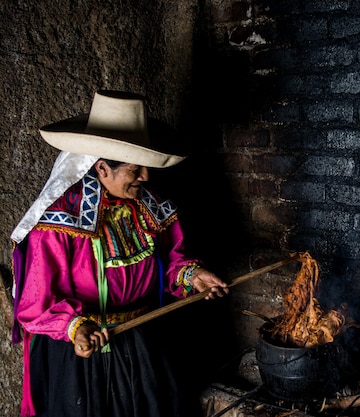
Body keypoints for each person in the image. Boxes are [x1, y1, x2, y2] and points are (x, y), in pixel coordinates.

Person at [10, 90, 230, 417]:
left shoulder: (149, 206)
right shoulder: (59, 222)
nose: (145, 176)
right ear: (102, 169)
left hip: (141, 340)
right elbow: (35, 302)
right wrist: (75, 327)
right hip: (82, 353)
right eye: (135, 169)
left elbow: (170, 260)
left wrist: (191, 275)